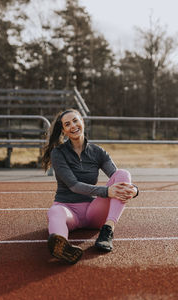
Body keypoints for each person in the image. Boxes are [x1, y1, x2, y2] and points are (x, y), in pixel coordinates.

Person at [42, 109, 139, 264]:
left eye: (75, 120)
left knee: (123, 173)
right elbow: (73, 185)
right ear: (63, 131)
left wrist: (134, 189)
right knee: (54, 211)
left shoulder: (98, 152)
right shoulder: (58, 153)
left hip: (92, 212)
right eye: (67, 124)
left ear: (82, 121)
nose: (73, 126)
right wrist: (107, 191)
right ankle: (61, 247)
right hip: (67, 210)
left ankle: (107, 231)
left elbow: (117, 178)